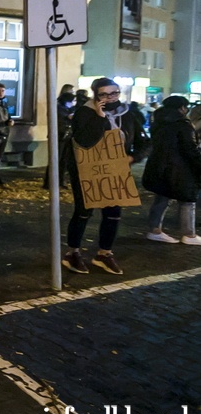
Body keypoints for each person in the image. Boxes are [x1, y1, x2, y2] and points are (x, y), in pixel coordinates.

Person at [62, 78, 142, 275]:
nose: (110, 98)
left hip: (115, 171)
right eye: (104, 94)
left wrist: (133, 157)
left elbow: (144, 141)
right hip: (86, 171)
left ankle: (104, 254)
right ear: (95, 95)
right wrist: (99, 116)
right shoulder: (85, 112)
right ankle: (72, 253)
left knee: (113, 212)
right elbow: (84, 140)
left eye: (114, 93)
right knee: (84, 211)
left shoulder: (128, 114)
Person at [142, 96, 201, 245]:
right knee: (188, 199)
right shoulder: (183, 124)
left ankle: (154, 230)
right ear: (181, 108)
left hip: (159, 165)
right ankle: (189, 234)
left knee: (162, 197)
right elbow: (190, 149)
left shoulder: (158, 121)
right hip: (179, 168)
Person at [43, 91, 76, 189]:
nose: (73, 103)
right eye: (72, 101)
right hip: (59, 136)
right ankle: (49, 182)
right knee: (55, 160)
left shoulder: (67, 109)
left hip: (66, 137)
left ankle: (60, 181)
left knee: (63, 161)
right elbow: (60, 120)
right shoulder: (58, 109)